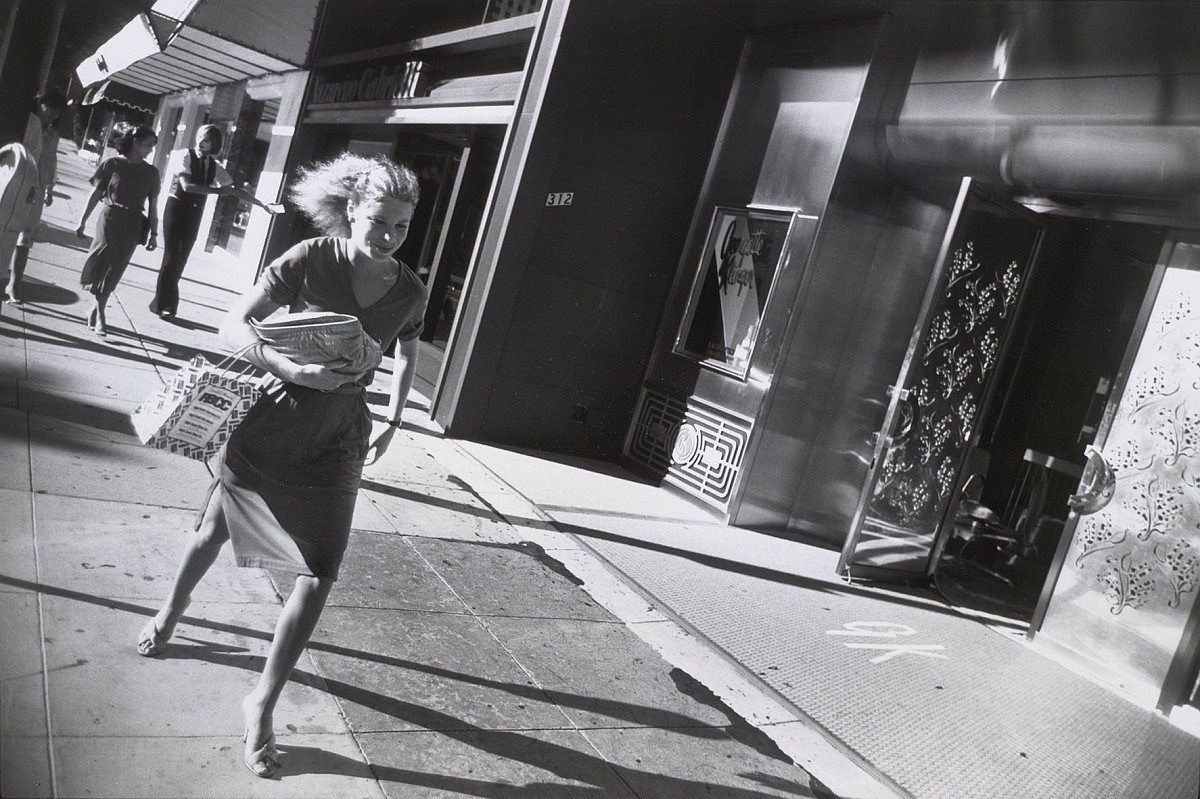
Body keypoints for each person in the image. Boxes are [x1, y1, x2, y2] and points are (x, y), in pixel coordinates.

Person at [134, 152, 428, 779]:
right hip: (271, 419)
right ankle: (170, 611)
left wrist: (398, 416)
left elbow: (408, 350)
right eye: (378, 221)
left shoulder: (410, 288)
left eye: (401, 227)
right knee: (214, 529)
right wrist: (290, 367)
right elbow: (232, 324)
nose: (388, 236)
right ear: (352, 209)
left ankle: (261, 700)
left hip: (341, 436)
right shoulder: (308, 258)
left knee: (318, 571)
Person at [149, 124, 274, 318]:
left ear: (214, 144)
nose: (201, 141)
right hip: (176, 210)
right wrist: (217, 191)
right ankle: (167, 306)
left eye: (206, 139)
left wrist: (261, 204)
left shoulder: (214, 166)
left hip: (194, 214)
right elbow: (187, 186)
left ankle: (159, 302)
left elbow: (232, 189)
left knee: (182, 259)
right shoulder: (185, 156)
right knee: (172, 257)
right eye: (199, 136)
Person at [76, 125, 160, 336]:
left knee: (117, 267)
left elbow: (153, 206)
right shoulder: (112, 164)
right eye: (148, 145)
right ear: (136, 142)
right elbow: (96, 193)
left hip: (133, 223)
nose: (151, 150)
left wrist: (154, 234)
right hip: (110, 218)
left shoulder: (151, 172)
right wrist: (82, 220)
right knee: (102, 260)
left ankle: (97, 310)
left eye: (153, 146)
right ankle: (101, 314)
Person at [2, 89, 66, 304]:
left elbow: (50, 161)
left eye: (58, 111)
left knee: (26, 237)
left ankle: (15, 283)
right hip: (19, 185)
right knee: (9, 229)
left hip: (36, 188)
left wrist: (48, 187)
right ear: (40, 102)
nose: (54, 113)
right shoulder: (28, 122)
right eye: (52, 107)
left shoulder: (51, 133)